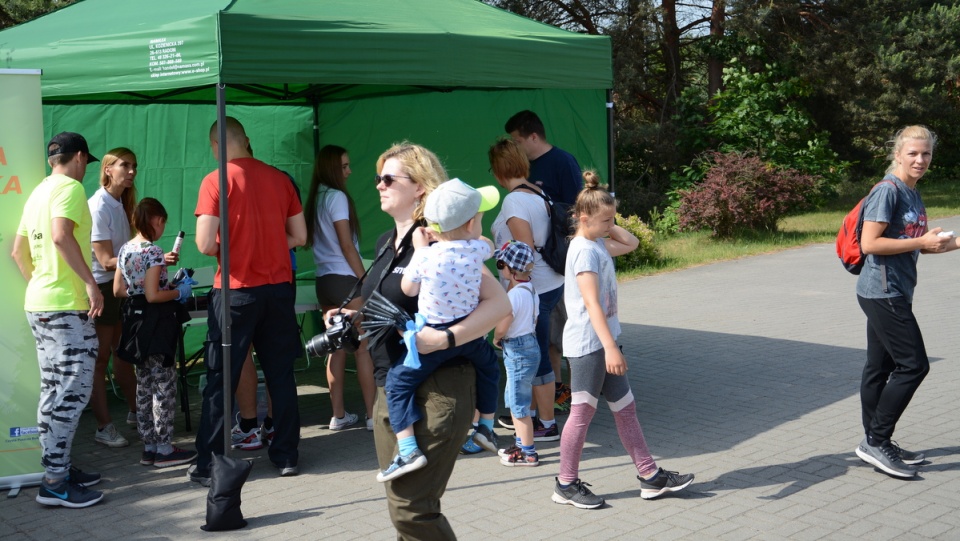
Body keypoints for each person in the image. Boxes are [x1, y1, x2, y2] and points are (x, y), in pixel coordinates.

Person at [348, 142, 510, 538]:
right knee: (401, 507)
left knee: (413, 510)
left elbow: (499, 302)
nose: (379, 186)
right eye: (377, 178)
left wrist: (447, 337)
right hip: (392, 385)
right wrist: (352, 315)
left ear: (420, 185)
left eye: (389, 178)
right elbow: (391, 301)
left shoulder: (442, 237)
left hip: (438, 386)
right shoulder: (389, 240)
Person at [553, 171, 694, 509]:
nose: (610, 225)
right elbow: (591, 305)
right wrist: (611, 348)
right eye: (605, 220)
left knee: (626, 410)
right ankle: (565, 483)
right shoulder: (585, 251)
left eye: (612, 219)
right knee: (582, 413)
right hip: (590, 347)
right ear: (583, 219)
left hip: (604, 342)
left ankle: (650, 476)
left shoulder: (596, 242)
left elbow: (632, 243)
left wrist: (607, 221)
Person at [188, 117, 307, 485]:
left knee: (221, 376)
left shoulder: (214, 180)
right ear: (247, 140)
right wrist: (269, 242)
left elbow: (206, 244)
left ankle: (208, 462)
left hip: (236, 290)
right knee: (281, 373)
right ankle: (286, 454)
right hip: (278, 288)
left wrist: (235, 246)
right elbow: (299, 235)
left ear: (214, 147)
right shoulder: (281, 179)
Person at [375, 178, 502, 482]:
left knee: (397, 384)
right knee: (490, 369)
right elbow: (488, 245)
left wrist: (420, 248)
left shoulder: (428, 256)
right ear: (472, 223)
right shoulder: (476, 250)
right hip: (469, 338)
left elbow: (408, 287)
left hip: (431, 338)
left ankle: (407, 450)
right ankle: (486, 425)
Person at [854, 125, 960, 479]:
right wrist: (918, 244)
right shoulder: (889, 191)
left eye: (926, 153)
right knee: (914, 365)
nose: (920, 159)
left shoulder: (913, 194)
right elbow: (871, 244)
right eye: (913, 153)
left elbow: (924, 242)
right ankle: (877, 441)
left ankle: (875, 440)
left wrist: (953, 242)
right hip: (883, 293)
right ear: (897, 154)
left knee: (878, 368)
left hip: (895, 290)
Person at [12, 132, 105, 508]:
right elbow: (60, 235)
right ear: (80, 157)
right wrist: (89, 284)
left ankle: (58, 468)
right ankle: (53, 482)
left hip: (40, 303)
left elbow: (19, 252)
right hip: (66, 306)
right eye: (86, 162)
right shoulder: (70, 188)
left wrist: (42, 285)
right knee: (73, 392)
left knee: (54, 390)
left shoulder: (38, 191)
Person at [505, 111, 582, 413]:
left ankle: (579, 394)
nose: (516, 146)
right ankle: (558, 394)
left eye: (518, 140)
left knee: (570, 337)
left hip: (562, 267)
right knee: (547, 340)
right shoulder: (528, 168)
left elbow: (576, 212)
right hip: (542, 270)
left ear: (533, 137)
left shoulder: (563, 161)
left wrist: (571, 257)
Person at [114, 197, 198, 468]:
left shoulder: (125, 249)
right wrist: (178, 291)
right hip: (157, 324)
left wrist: (160, 285)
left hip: (134, 323)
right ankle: (164, 448)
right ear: (157, 220)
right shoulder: (153, 252)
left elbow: (119, 290)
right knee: (163, 384)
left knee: (144, 385)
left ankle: (149, 447)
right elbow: (153, 296)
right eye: (163, 222)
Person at [488, 138, 562, 443]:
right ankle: (530, 417)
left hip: (534, 288)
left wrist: (515, 293)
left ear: (498, 169)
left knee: (535, 357)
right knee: (536, 353)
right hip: (549, 283)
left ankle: (546, 423)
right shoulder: (537, 191)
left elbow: (524, 252)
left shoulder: (514, 201)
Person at [306, 144, 375, 432]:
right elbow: (347, 245)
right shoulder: (335, 197)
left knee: (336, 346)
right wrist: (366, 280)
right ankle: (373, 416)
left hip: (325, 282)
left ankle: (338, 416)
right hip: (346, 279)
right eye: (344, 166)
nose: (349, 171)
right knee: (362, 348)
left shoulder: (316, 197)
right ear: (333, 168)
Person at [492, 240, 541, 467]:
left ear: (511, 270)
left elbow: (504, 323)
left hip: (517, 348)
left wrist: (496, 337)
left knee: (519, 403)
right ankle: (521, 444)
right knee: (515, 397)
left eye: (500, 264)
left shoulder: (512, 297)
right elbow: (535, 318)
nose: (498, 268)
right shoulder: (531, 290)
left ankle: (528, 453)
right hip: (530, 344)